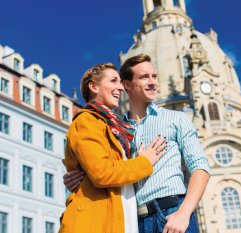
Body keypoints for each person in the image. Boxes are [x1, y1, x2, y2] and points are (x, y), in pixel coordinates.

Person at [65, 54, 210, 233]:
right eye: (144, 77)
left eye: (154, 76)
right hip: (133, 222)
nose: (152, 82)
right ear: (127, 85)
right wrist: (81, 177)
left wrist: (184, 212)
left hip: (172, 213)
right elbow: (103, 169)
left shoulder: (176, 118)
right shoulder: (115, 130)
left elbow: (200, 166)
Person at [59, 63, 167, 233]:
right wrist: (144, 162)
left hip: (121, 220)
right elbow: (102, 173)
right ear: (94, 87)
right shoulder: (87, 121)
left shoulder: (118, 129)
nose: (120, 87)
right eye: (113, 81)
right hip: (93, 222)